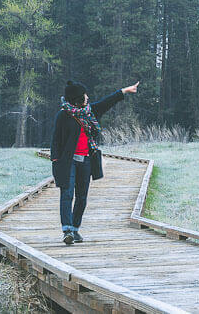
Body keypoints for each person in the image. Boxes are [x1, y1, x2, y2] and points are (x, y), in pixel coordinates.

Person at [50, 79, 138, 245]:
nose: (87, 97)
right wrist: (56, 161)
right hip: (68, 163)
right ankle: (67, 230)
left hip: (86, 161)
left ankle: (75, 229)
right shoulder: (63, 115)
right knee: (67, 194)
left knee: (82, 197)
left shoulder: (91, 112)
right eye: (84, 95)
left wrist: (124, 91)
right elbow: (55, 141)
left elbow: (107, 102)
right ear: (77, 98)